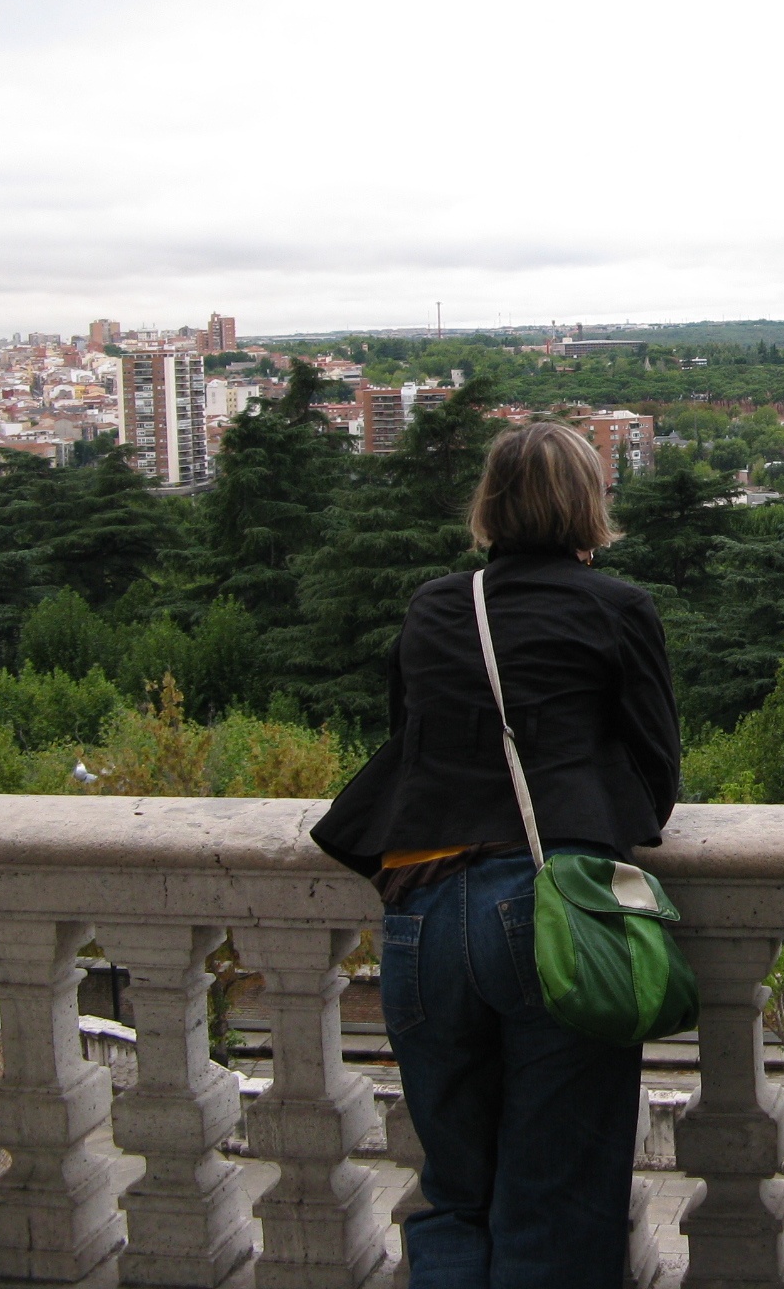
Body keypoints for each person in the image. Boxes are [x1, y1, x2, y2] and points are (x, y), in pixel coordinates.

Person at [311, 420, 679, 1289]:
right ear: (589, 505)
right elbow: (655, 781)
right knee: (554, 1199)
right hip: (548, 913)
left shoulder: (438, 605)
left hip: (422, 913)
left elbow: (412, 742)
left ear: (489, 506)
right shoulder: (620, 609)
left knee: (454, 1192)